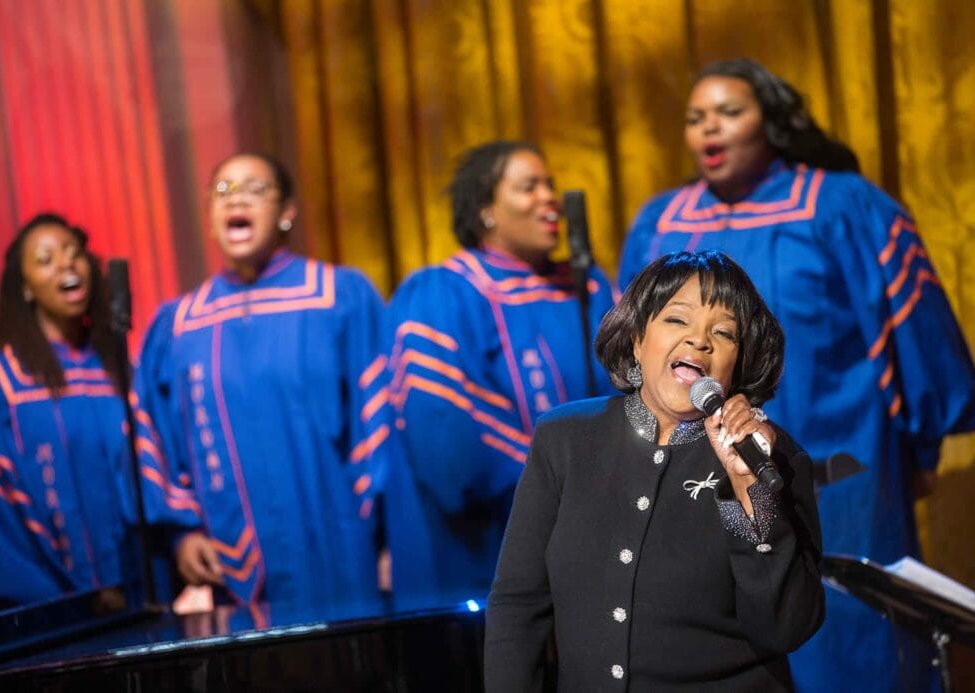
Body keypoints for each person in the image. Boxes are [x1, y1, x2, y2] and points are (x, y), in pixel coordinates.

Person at [618, 58, 975, 691]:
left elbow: (915, 333)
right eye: (696, 117)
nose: (710, 129)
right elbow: (630, 356)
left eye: (730, 112)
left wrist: (918, 442)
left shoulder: (841, 204)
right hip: (698, 472)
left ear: (771, 121)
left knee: (849, 633)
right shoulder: (663, 222)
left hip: (841, 465)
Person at [485, 249, 823, 690]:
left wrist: (750, 492)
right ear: (636, 339)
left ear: (737, 364)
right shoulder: (564, 439)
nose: (699, 341)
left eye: (723, 333)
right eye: (677, 320)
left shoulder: (772, 457)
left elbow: (786, 629)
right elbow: (517, 605)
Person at [133, 153, 392, 622]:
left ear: (287, 211)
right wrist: (183, 532)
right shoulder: (180, 324)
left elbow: (379, 420)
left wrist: (381, 533)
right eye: (224, 190)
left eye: (255, 189)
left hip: (335, 539)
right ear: (212, 219)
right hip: (229, 559)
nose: (238, 199)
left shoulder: (338, 296)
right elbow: (156, 439)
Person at [384, 140, 617, 610]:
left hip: (602, 534)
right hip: (490, 540)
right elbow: (446, 433)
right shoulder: (443, 292)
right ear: (486, 209)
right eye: (528, 187)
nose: (548, 197)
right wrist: (560, 488)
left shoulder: (590, 288)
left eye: (550, 184)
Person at [0, 213, 137, 622]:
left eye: (74, 254)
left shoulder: (121, 368)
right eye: (46, 259)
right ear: (24, 288)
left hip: (139, 602)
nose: (66, 265)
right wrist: (61, 602)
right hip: (46, 616)